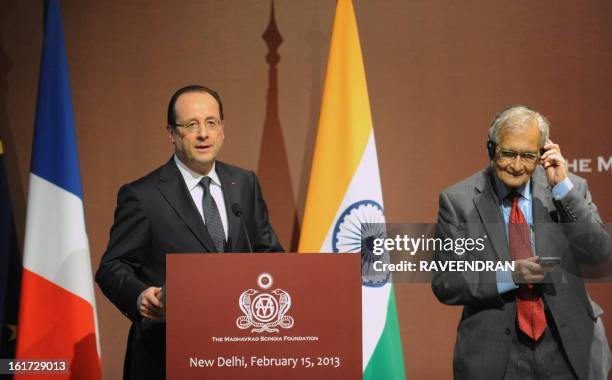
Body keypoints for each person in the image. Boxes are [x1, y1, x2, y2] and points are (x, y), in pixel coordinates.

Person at [96, 85, 283, 380]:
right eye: (191, 125)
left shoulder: (244, 183)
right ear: (171, 133)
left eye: (211, 122)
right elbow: (111, 267)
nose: (203, 134)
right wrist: (140, 295)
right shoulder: (143, 195)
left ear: (222, 129)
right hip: (168, 354)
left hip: (239, 351)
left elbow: (269, 253)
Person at [431, 105, 611, 379]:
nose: (516, 166)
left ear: (542, 153)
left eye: (528, 156)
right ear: (491, 149)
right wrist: (509, 274)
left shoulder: (568, 189)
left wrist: (563, 191)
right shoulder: (458, 202)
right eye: (508, 153)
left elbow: (600, 254)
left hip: (568, 346)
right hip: (497, 354)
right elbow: (448, 282)